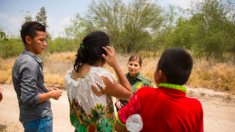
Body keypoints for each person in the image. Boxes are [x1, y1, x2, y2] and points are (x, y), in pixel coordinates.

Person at [115, 47, 204, 132]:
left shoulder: (144, 94)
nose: (132, 67)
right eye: (130, 64)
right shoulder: (196, 107)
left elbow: (119, 126)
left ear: (160, 75)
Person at [64, 31, 133, 132]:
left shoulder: (70, 74)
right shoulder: (99, 77)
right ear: (104, 53)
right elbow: (129, 93)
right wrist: (115, 65)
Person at [12, 21, 62, 132]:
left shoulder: (21, 59)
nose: (45, 44)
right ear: (28, 40)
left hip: (31, 118)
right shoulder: (30, 62)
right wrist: (51, 94)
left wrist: (45, 90)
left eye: (45, 40)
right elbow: (29, 98)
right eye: (41, 40)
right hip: (38, 120)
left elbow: (26, 90)